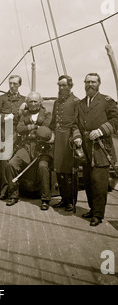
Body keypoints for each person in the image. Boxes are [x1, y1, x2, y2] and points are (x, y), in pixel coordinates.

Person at [77, 73, 118, 226]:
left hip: (101, 148)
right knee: (87, 181)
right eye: (87, 82)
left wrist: (100, 130)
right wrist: (77, 137)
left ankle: (98, 215)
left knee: (99, 183)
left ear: (99, 83)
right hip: (86, 148)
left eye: (93, 82)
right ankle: (92, 209)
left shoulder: (107, 101)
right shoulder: (80, 104)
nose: (90, 84)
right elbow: (76, 124)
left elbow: (115, 121)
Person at [5, 91, 53, 210]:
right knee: (11, 164)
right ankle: (13, 195)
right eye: (30, 101)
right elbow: (19, 128)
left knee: (43, 167)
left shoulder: (47, 114)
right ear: (27, 102)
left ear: (40, 102)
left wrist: (30, 129)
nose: (33, 104)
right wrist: (33, 127)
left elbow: (45, 130)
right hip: (26, 146)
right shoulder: (24, 114)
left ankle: (45, 199)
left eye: (35, 101)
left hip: (42, 148)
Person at [50, 75, 82, 212]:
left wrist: (76, 137)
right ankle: (63, 199)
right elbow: (52, 122)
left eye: (64, 85)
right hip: (58, 139)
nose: (61, 88)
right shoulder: (57, 102)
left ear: (70, 86)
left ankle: (71, 201)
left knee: (69, 172)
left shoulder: (76, 101)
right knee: (59, 170)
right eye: (59, 85)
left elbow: (78, 123)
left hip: (69, 140)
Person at [0, 75, 26, 200]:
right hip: (1, 133)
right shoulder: (1, 98)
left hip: (18, 134)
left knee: (12, 162)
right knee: (1, 162)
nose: (12, 86)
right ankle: (1, 187)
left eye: (15, 84)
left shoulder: (24, 100)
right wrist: (4, 118)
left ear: (19, 85)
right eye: (10, 83)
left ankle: (12, 187)